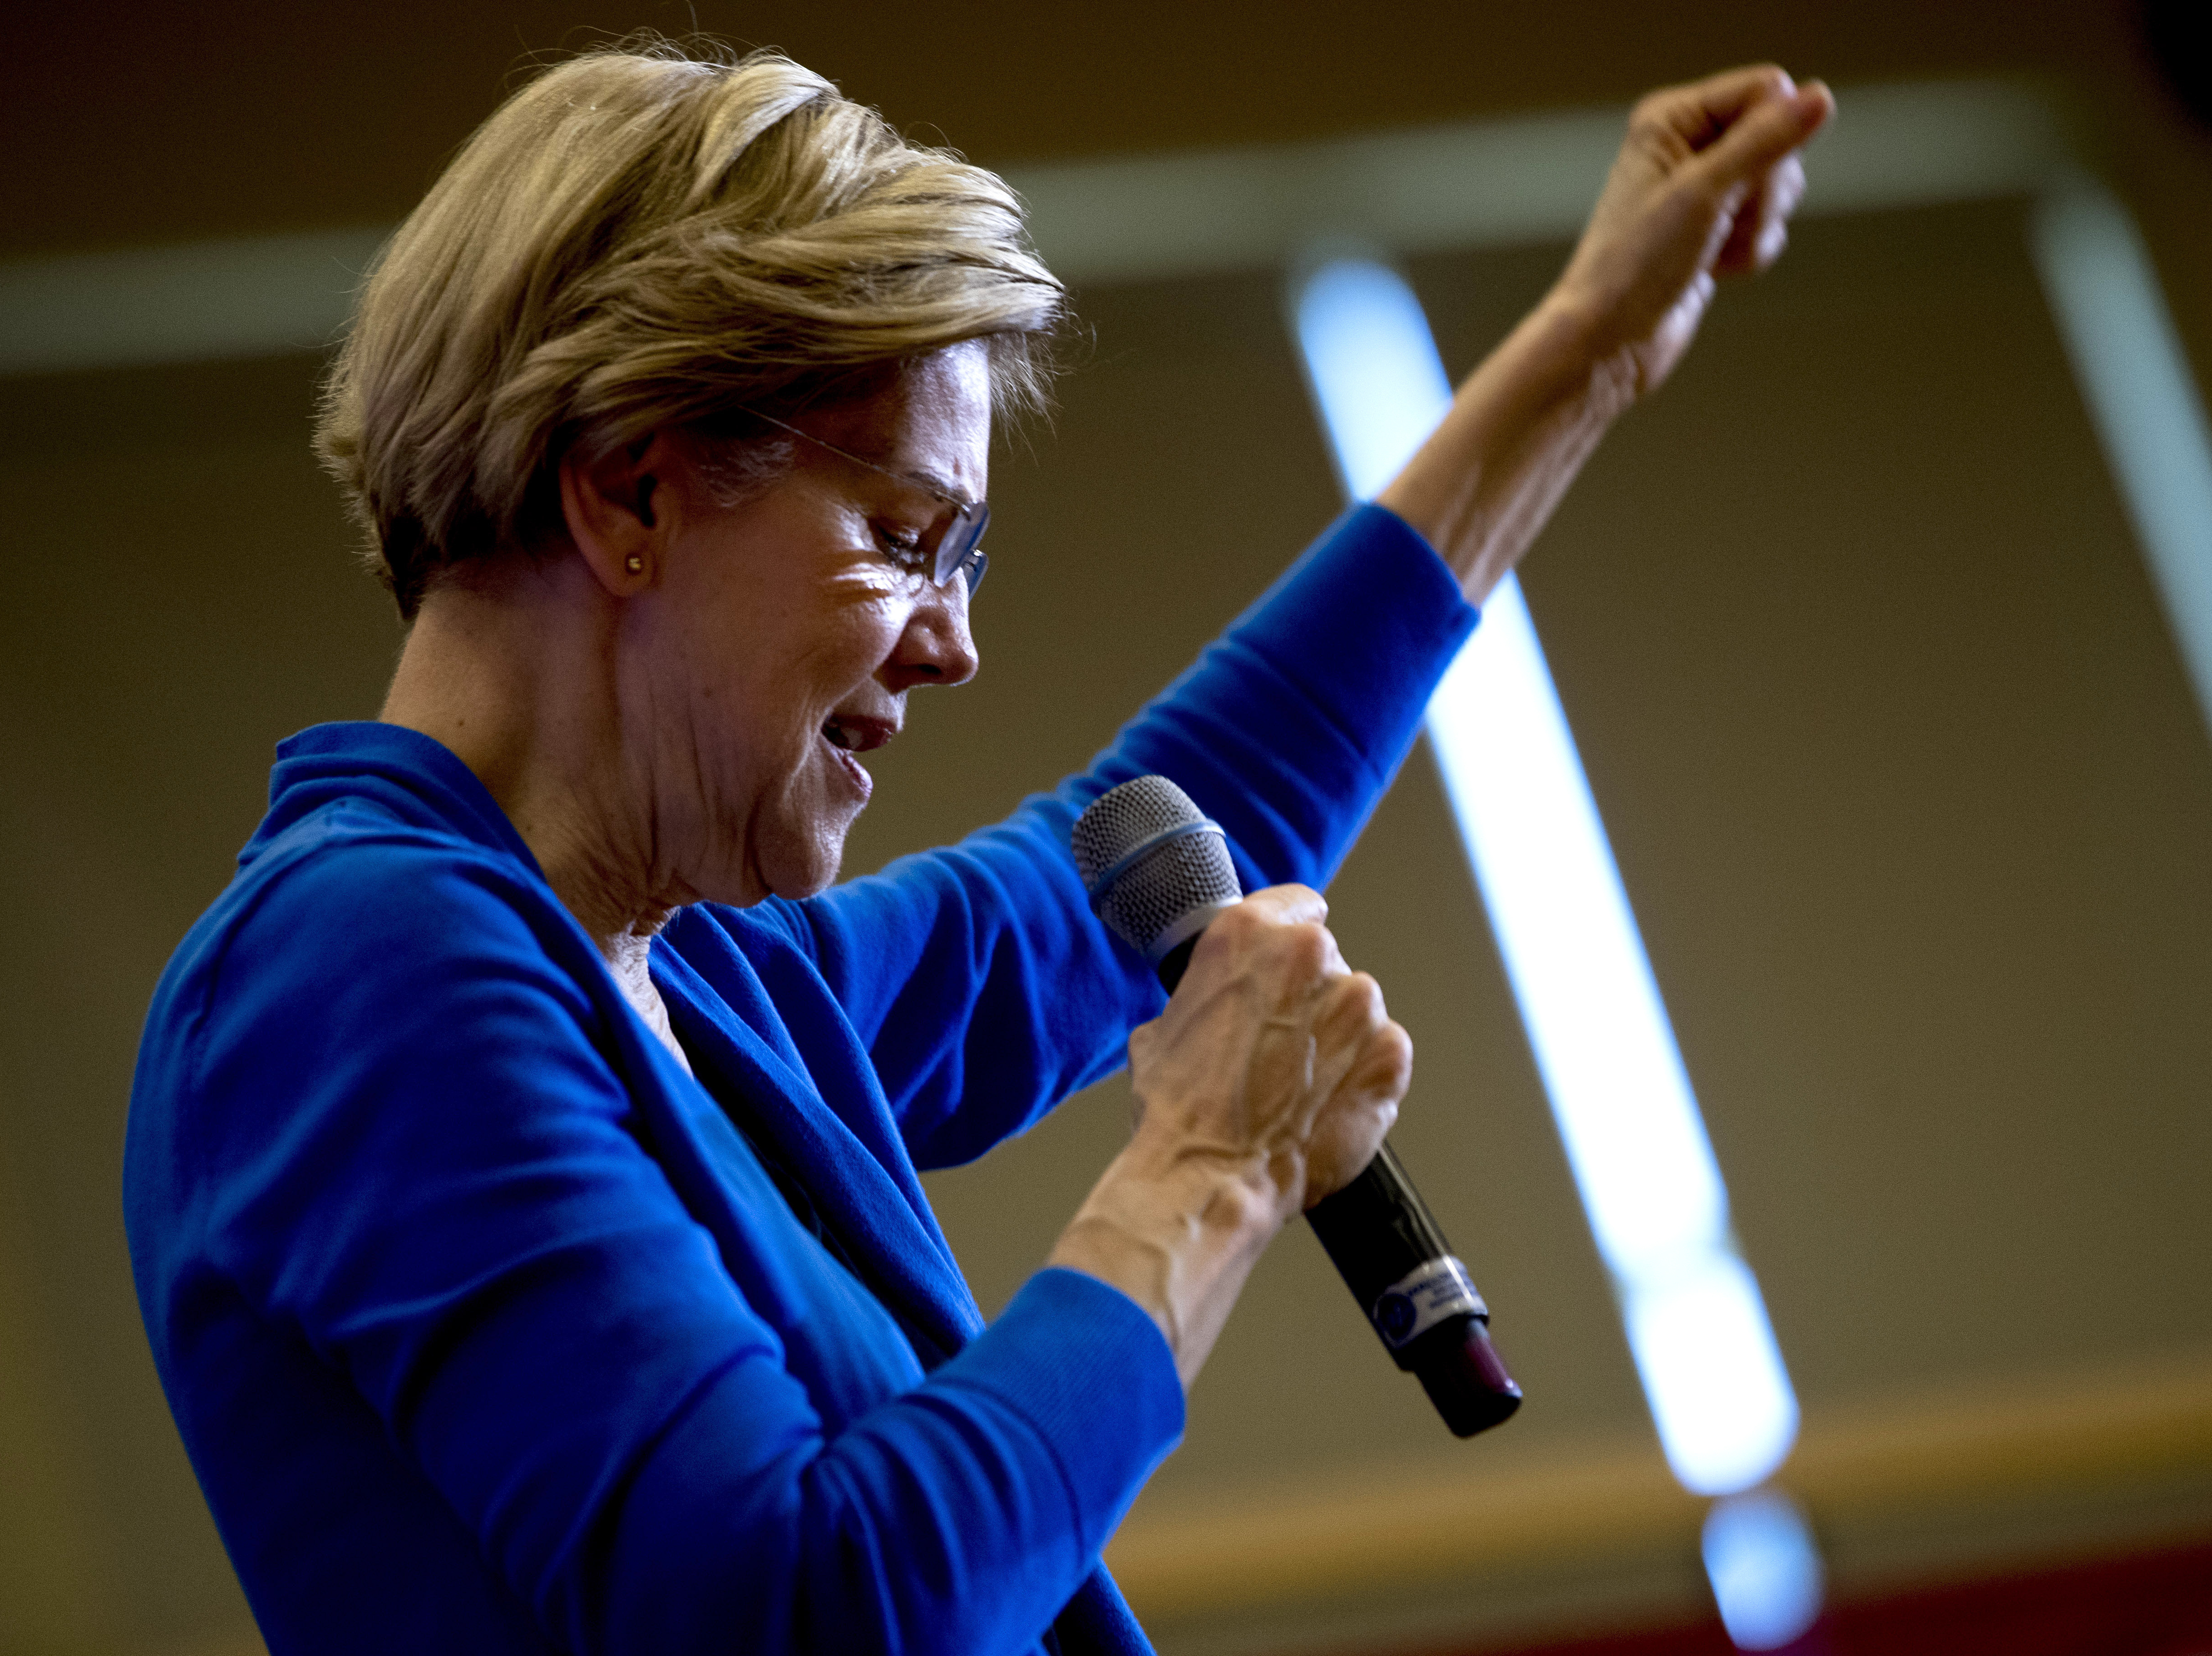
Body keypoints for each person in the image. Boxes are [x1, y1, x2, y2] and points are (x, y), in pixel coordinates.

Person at [124, 41, 1831, 1656]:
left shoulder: (704, 979)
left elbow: (1160, 838)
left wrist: (1595, 345)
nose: (953, 644)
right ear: (629, 493)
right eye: (904, 537)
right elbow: (803, 1610)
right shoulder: (358, 968)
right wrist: (1213, 1169)